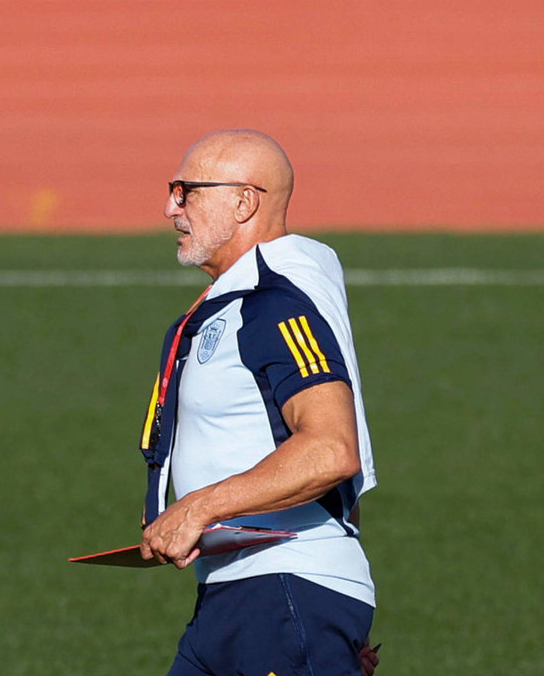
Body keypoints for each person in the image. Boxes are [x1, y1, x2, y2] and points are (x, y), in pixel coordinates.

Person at [135, 130, 380, 675]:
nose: (170, 207)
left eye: (186, 191)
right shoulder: (250, 297)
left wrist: (197, 507)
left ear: (244, 201)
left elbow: (332, 450)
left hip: (282, 594)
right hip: (242, 599)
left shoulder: (272, 301)